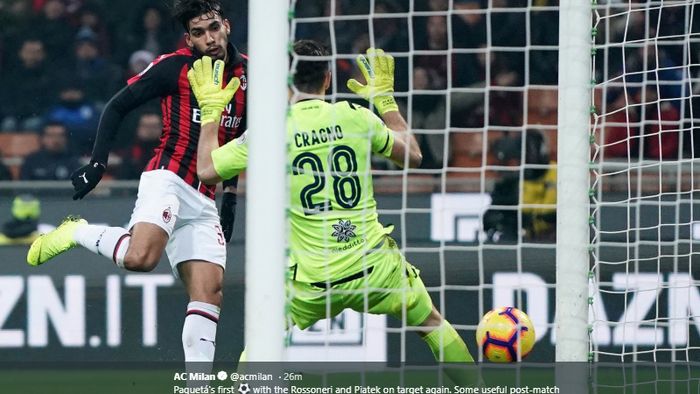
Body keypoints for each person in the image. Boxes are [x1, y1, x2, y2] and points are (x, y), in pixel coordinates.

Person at [189, 41, 476, 379]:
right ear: (327, 79)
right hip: (374, 268)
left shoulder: (272, 130)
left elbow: (206, 170)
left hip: (311, 281)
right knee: (431, 323)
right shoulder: (354, 116)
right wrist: (385, 101)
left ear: (286, 82)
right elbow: (412, 155)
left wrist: (210, 112)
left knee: (261, 343)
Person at [26, 0, 247, 367]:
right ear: (188, 39)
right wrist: (97, 164)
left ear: (226, 25)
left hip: (205, 195)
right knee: (141, 258)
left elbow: (237, 143)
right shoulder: (172, 68)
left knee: (209, 291)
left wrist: (230, 200)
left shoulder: (249, 77)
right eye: (198, 33)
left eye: (212, 28)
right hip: (169, 178)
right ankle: (76, 232)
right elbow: (116, 106)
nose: (208, 38)